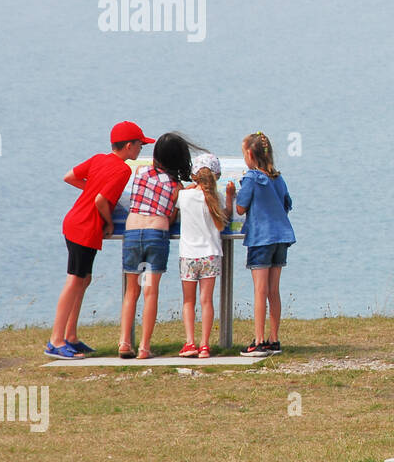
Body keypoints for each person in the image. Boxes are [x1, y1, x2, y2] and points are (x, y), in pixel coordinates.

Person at [48, 122, 147, 358]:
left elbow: (69, 177)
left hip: (74, 222)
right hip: (86, 227)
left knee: (84, 279)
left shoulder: (98, 159)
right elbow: (101, 200)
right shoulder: (123, 171)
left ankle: (70, 336)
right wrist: (110, 223)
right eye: (140, 145)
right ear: (130, 146)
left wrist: (89, 189)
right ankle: (56, 340)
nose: (141, 149)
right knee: (74, 281)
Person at [117, 132, 199, 359]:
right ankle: (144, 347)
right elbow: (171, 217)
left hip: (132, 232)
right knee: (150, 291)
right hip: (156, 233)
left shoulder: (140, 172)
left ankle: (125, 342)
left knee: (131, 291)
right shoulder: (176, 186)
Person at [235, 132, 294, 358]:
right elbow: (286, 203)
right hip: (281, 236)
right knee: (273, 290)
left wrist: (232, 193)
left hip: (261, 238)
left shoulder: (251, 178)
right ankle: (274, 338)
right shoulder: (278, 178)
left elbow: (240, 208)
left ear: (250, 154)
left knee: (259, 290)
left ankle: (259, 341)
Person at [176, 153, 234, 359]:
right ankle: (204, 346)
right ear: (215, 176)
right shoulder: (215, 197)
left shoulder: (184, 196)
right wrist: (230, 197)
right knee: (206, 301)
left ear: (194, 176)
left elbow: (176, 208)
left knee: (188, 301)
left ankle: (190, 342)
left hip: (188, 255)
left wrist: (186, 189)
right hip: (211, 254)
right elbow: (226, 216)